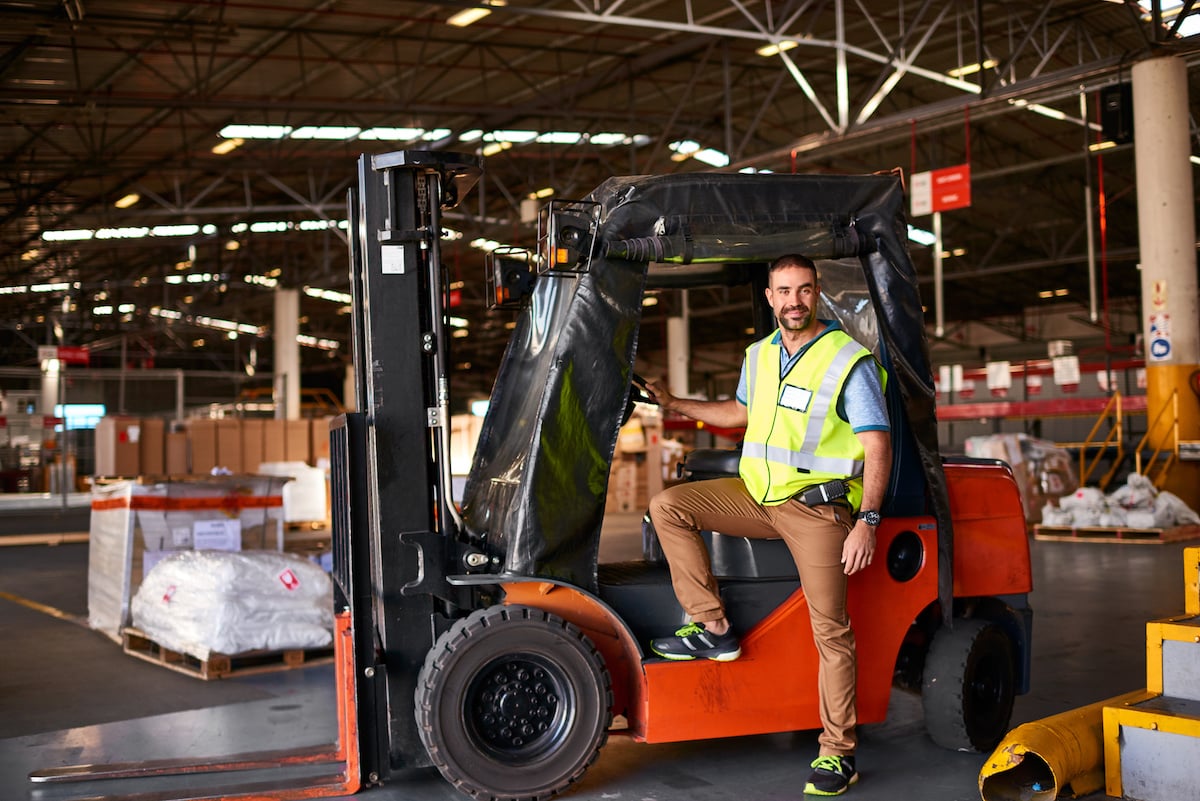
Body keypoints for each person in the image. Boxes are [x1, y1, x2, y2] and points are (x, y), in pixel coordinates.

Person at [642, 253, 891, 797]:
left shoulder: (848, 359)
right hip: (759, 498)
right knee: (669, 506)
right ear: (770, 297)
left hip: (819, 510)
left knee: (832, 631)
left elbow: (877, 444)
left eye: (803, 290)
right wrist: (673, 402)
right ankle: (713, 628)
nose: (794, 301)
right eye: (783, 291)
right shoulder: (759, 355)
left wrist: (866, 521)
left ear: (817, 291)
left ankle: (837, 753)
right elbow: (739, 415)